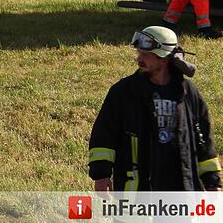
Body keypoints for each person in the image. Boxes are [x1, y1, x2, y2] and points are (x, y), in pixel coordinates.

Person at [89, 25, 221, 192]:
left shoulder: (187, 93)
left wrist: (212, 181)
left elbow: (204, 140)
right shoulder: (124, 92)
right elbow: (104, 134)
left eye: (146, 55)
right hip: (139, 191)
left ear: (164, 59)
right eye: (139, 53)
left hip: (180, 191)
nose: (139, 59)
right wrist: (101, 174)